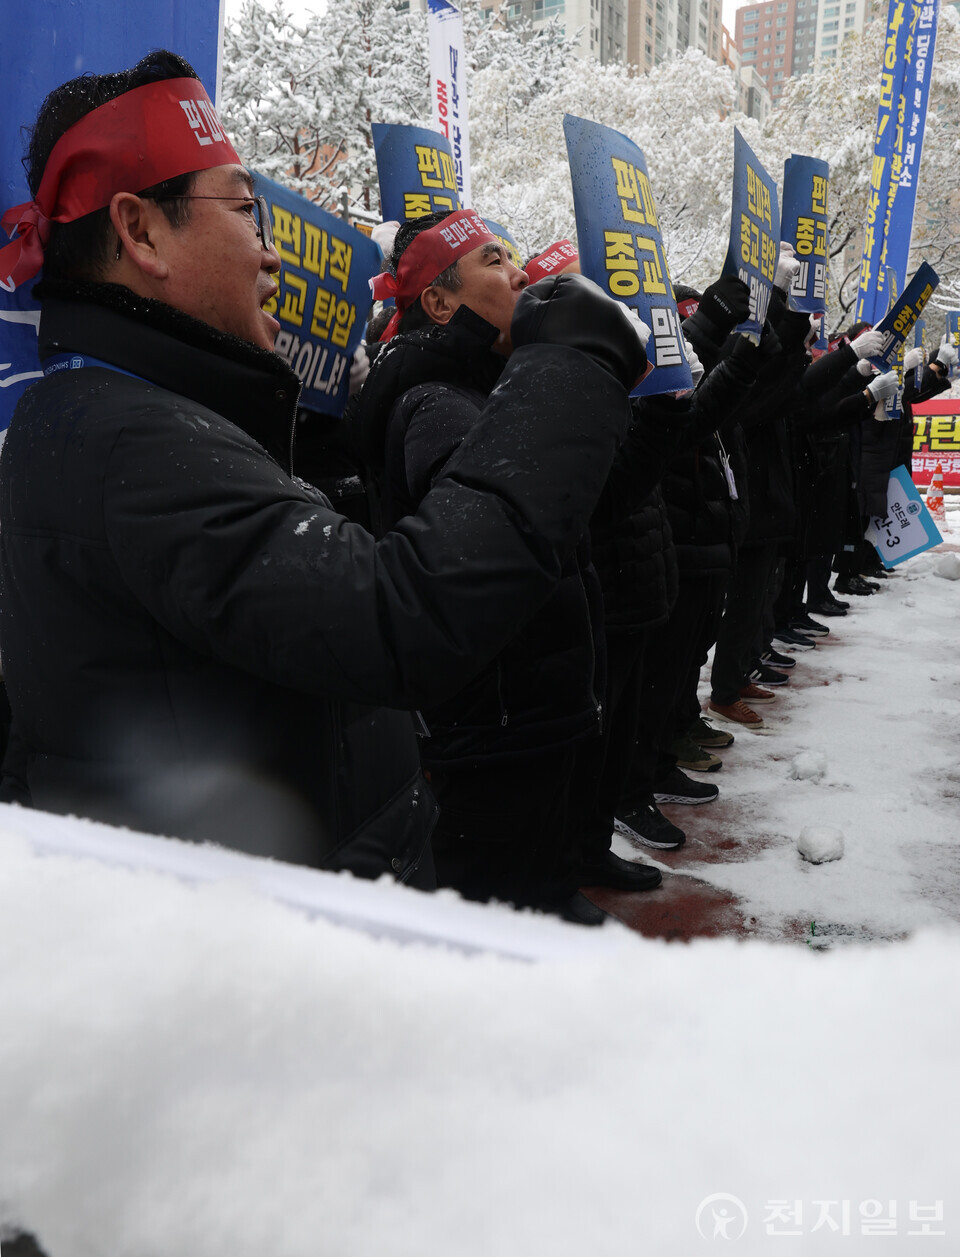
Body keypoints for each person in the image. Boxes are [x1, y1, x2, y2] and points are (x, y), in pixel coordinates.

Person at [0, 52, 639, 893]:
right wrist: (567, 370)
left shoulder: (124, 415)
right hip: (264, 942)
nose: (271, 258)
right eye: (246, 212)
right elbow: (402, 617)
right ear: (141, 231)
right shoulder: (128, 440)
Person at [354, 215, 651, 923]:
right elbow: (484, 544)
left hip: (525, 705)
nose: (521, 275)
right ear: (438, 302)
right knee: (497, 912)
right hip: (495, 720)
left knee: (536, 884)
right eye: (493, 261)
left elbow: (592, 506)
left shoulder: (483, 386)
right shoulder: (436, 401)